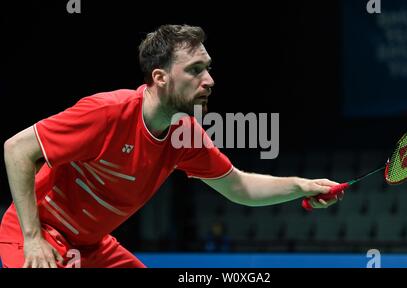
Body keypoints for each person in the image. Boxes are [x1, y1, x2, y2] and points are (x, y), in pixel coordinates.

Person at [0, 24, 341, 268]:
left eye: (207, 69)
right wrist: (32, 237)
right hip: (39, 233)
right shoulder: (107, 113)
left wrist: (301, 186)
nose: (209, 80)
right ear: (160, 78)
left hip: (92, 245)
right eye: (195, 70)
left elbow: (239, 186)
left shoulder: (185, 136)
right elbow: (17, 150)